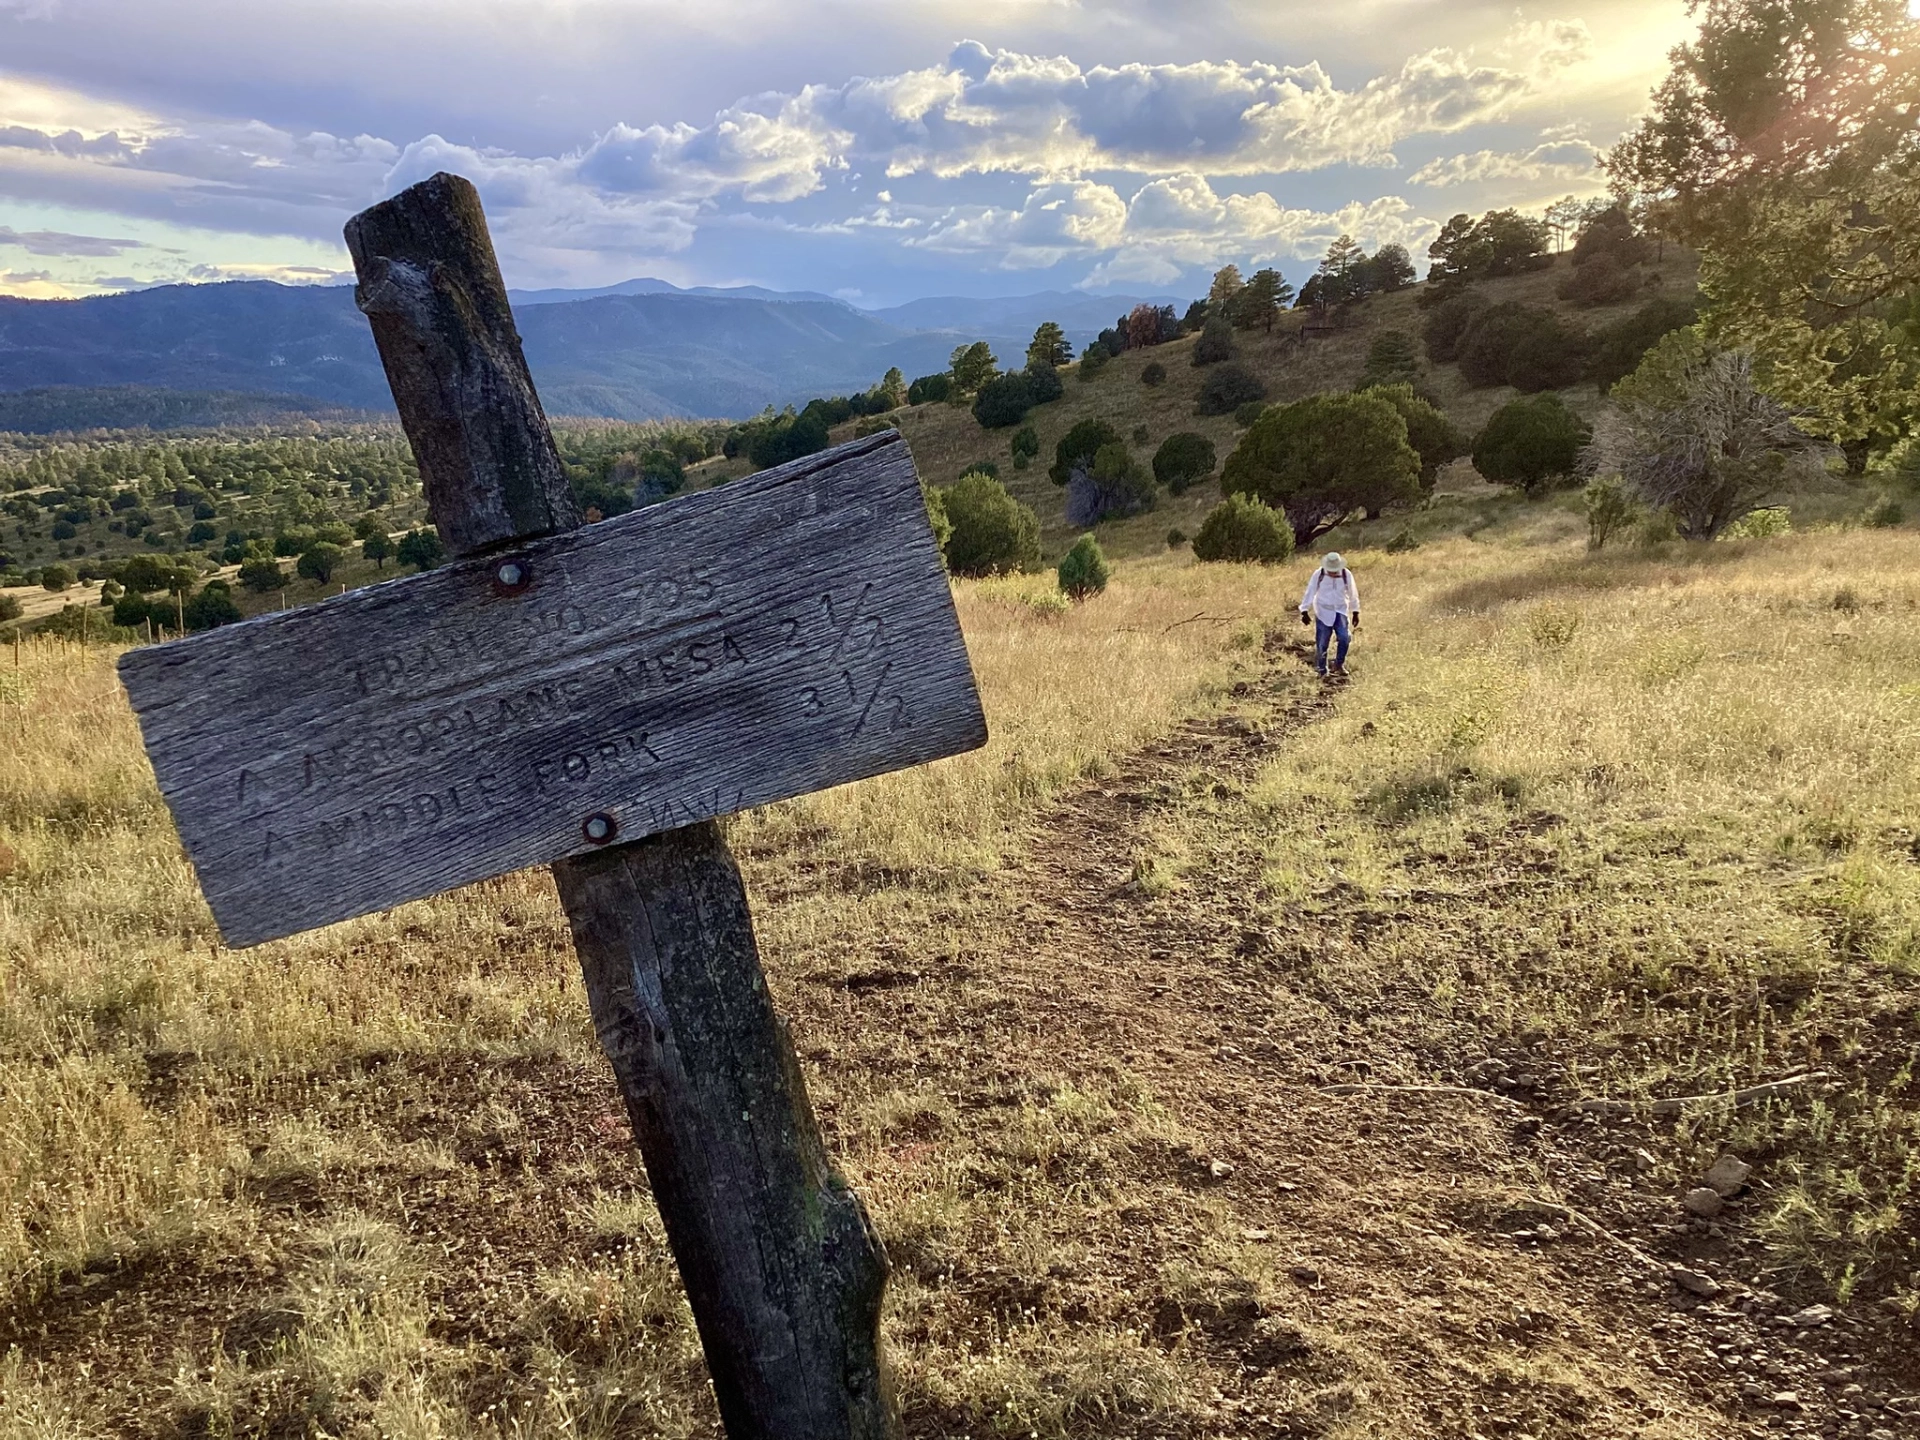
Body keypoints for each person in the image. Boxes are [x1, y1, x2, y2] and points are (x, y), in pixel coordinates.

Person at [1298, 552, 1360, 678]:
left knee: (1344, 637)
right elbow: (1310, 591)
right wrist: (1304, 611)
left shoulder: (1346, 574)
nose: (1332, 572)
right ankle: (1322, 670)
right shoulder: (1319, 574)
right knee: (1322, 642)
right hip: (1323, 611)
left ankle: (1339, 664)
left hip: (1340, 610)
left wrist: (1355, 612)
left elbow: (1353, 593)